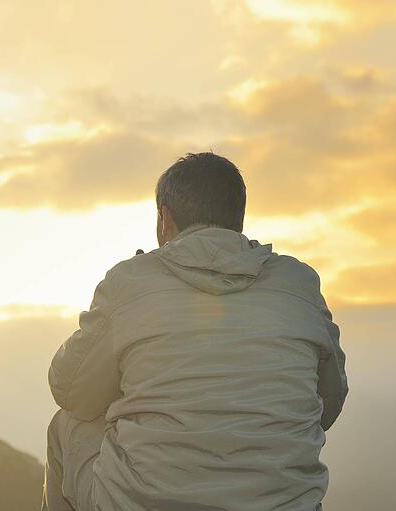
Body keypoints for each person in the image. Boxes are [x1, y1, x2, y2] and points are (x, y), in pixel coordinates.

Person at [41, 152, 348, 511]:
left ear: (163, 219)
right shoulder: (299, 284)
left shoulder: (131, 281)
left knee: (69, 422)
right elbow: (329, 402)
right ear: (238, 217)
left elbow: (71, 389)